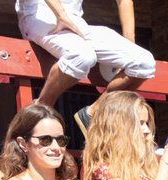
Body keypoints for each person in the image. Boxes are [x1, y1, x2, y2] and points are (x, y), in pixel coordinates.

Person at [15, 0, 156, 134]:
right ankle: (41, 108)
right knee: (83, 55)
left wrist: (129, 44)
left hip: (75, 20)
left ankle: (94, 113)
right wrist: (61, 16)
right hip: (38, 16)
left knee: (144, 62)